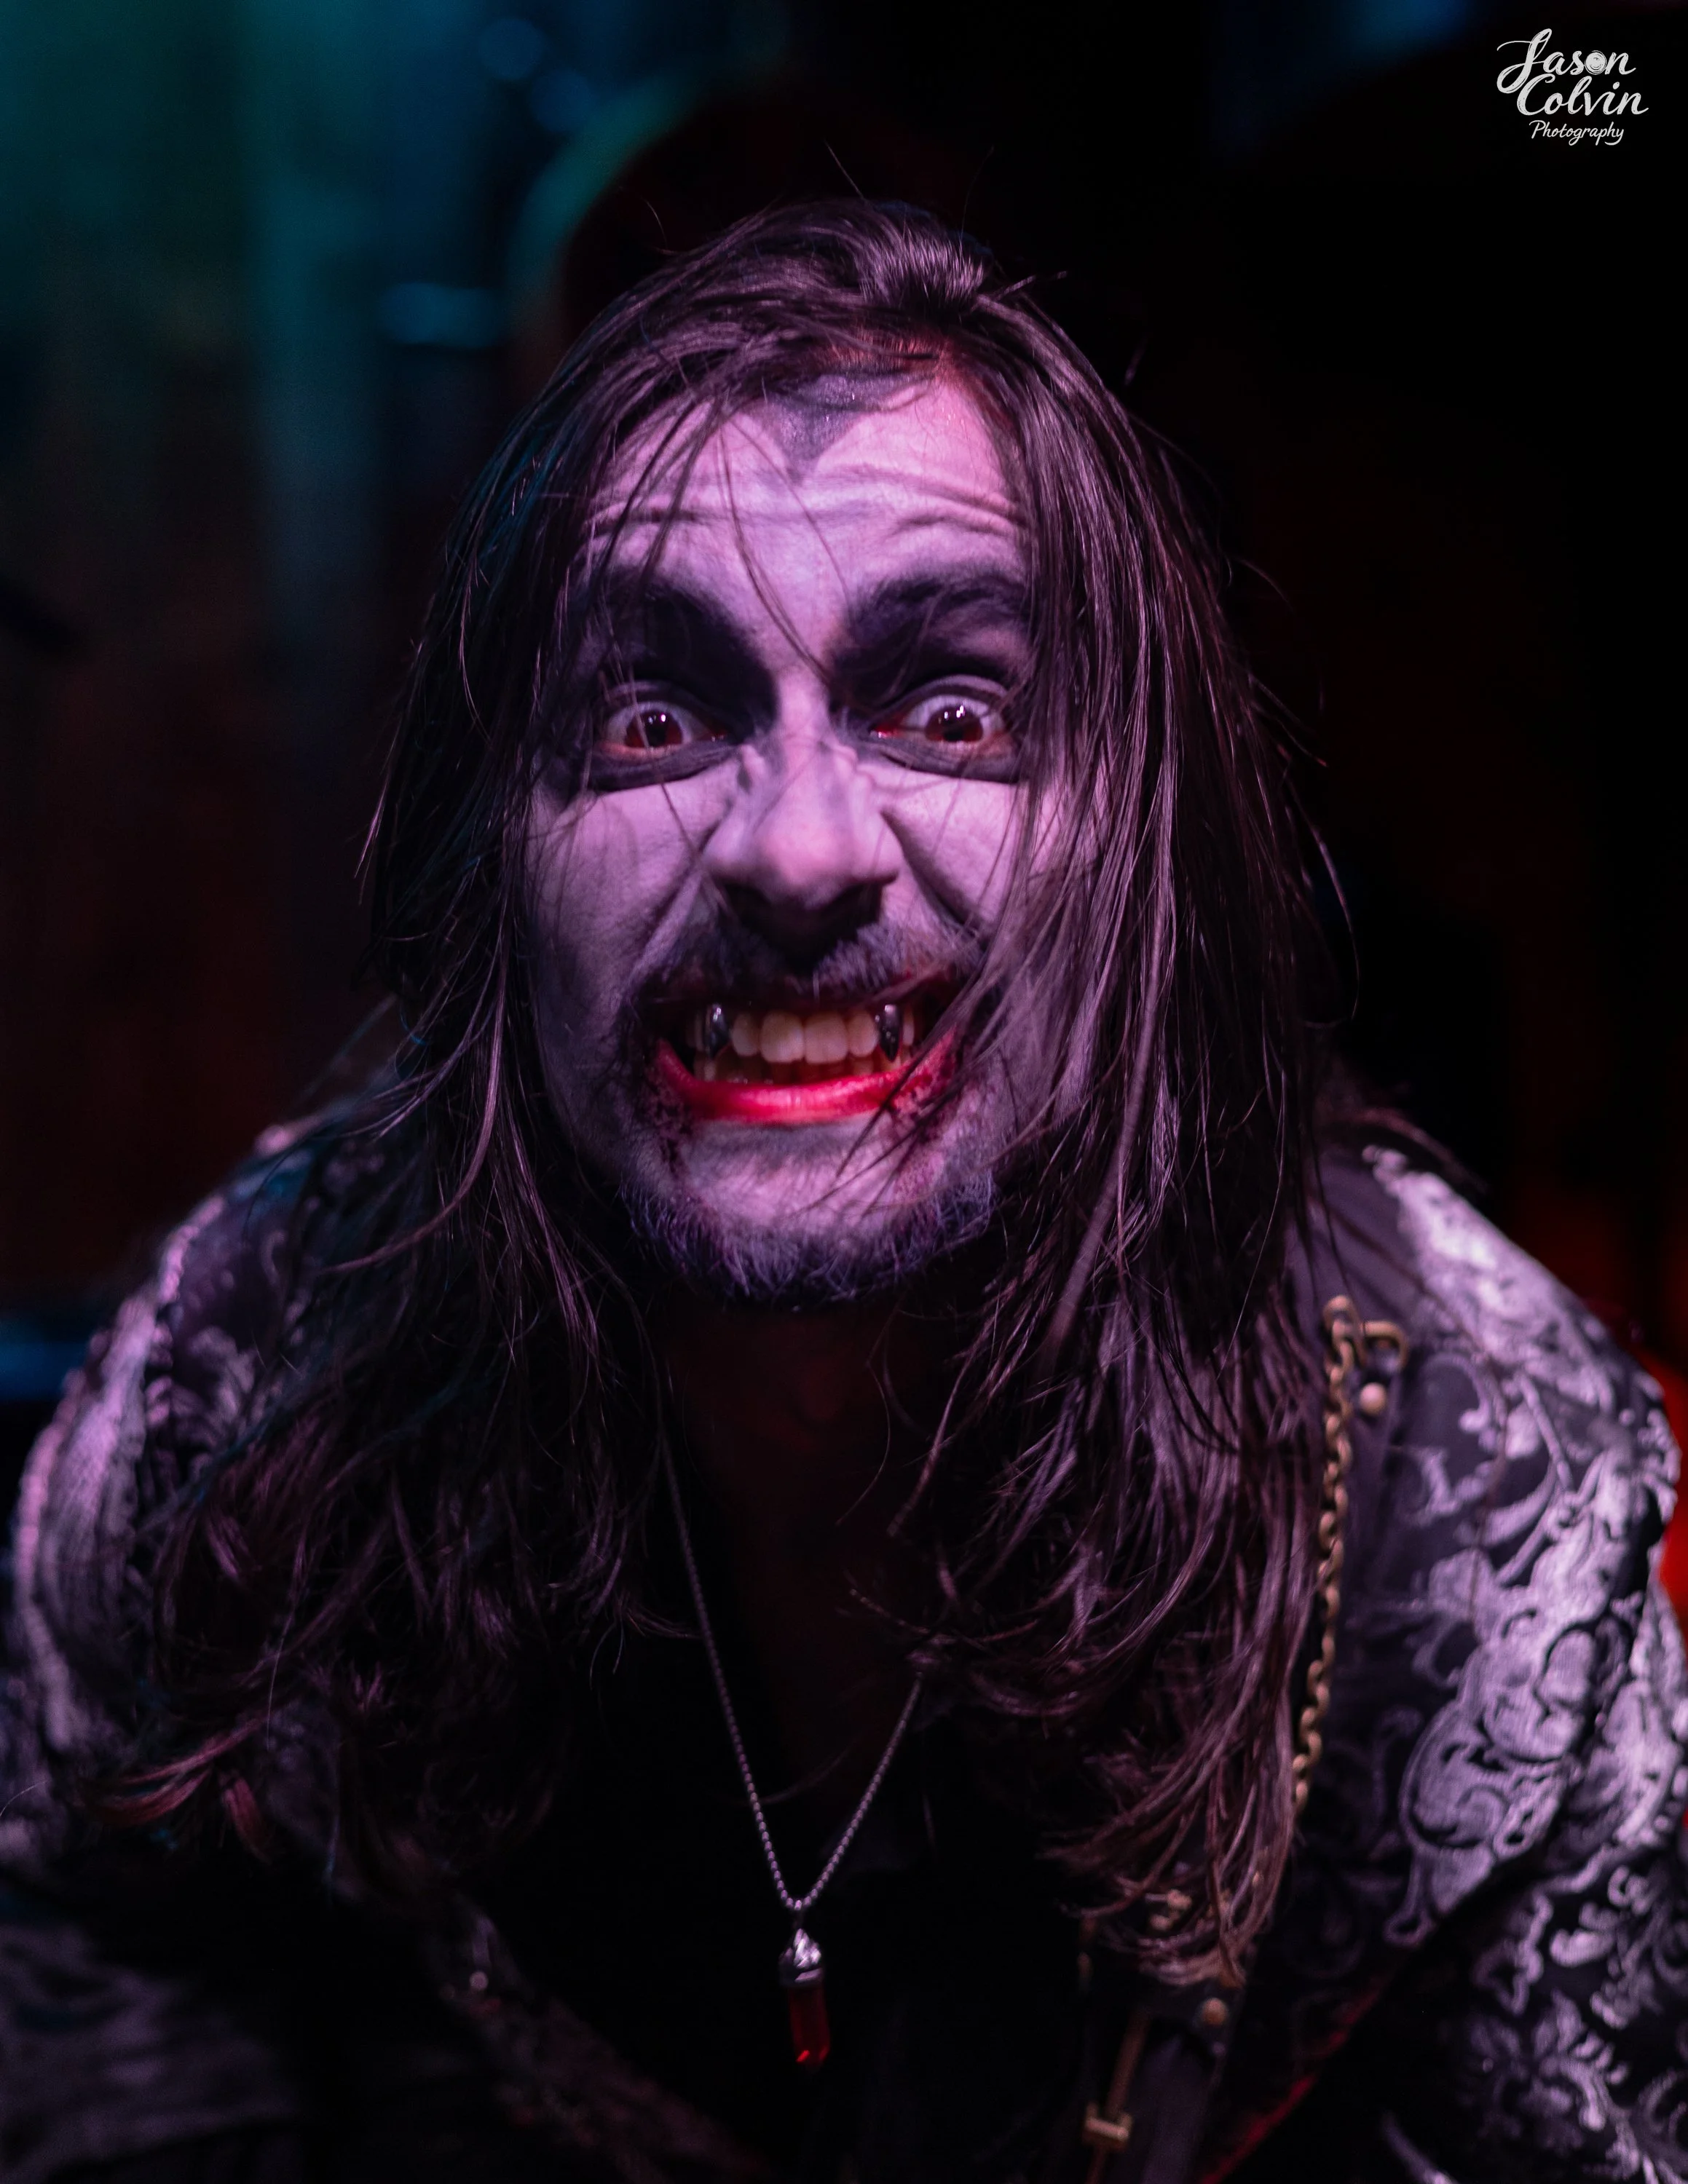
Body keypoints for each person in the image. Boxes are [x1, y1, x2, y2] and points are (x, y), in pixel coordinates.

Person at [2, 202, 1684, 2184]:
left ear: (1136, 859)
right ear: (497, 870)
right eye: (652, 718)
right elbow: (94, 1992)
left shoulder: (1471, 1495)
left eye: (950, 712)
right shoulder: (238, 1387)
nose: (798, 850)